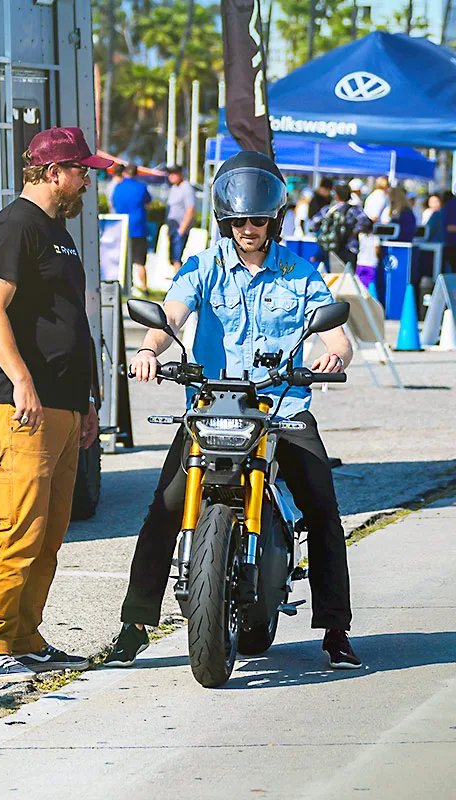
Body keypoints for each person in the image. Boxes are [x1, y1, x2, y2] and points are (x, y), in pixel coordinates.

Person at [103, 150, 360, 671]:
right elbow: (171, 313)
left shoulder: (299, 272)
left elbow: (336, 332)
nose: (249, 227)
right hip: (213, 403)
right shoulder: (202, 266)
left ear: (274, 220)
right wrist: (152, 348)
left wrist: (333, 353)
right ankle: (133, 627)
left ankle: (335, 630)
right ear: (226, 219)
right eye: (240, 219)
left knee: (324, 511)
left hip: (280, 405)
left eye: (258, 219)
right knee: (164, 508)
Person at [0, 126, 110, 681]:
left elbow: (69, 320)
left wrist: (88, 401)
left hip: (64, 402)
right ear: (54, 173)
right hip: (24, 404)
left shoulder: (59, 232)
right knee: (20, 527)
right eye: (81, 170)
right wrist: (21, 379)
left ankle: (25, 637)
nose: (87, 179)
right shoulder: (16, 225)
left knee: (49, 531)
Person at [110, 163, 151, 295]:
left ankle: (126, 286)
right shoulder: (141, 187)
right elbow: (148, 202)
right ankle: (144, 288)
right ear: (136, 173)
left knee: (123, 258)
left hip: (121, 227)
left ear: (124, 173)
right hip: (138, 227)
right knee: (140, 261)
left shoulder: (118, 187)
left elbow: (114, 203)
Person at [310, 184, 370, 271]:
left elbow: (313, 224)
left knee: (331, 278)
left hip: (330, 247)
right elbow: (365, 221)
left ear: (336, 195)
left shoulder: (328, 209)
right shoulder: (354, 209)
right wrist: (354, 232)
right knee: (348, 277)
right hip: (350, 247)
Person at [165, 165, 196, 270]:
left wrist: (182, 229)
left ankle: (179, 282)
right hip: (172, 226)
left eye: (174, 174)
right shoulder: (174, 188)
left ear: (181, 174)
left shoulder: (186, 188)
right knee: (173, 257)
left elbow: (190, 209)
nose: (171, 176)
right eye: (170, 174)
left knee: (177, 257)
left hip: (180, 227)